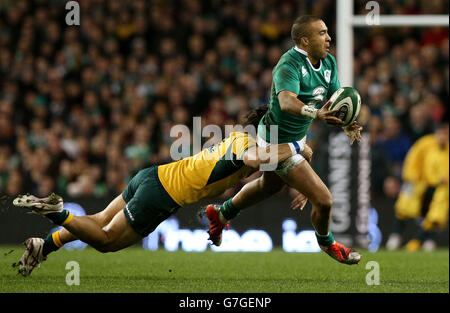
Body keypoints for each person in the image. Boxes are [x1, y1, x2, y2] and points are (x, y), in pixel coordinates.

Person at [12, 106, 312, 276]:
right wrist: (299, 145)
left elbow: (276, 165)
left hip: (154, 175)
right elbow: (255, 159)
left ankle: (44, 247)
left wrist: (299, 185)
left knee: (100, 219)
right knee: (106, 241)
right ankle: (59, 213)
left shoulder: (239, 137)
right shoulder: (247, 145)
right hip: (163, 195)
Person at [204, 15, 363, 265]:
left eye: (327, 32)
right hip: (275, 141)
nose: (329, 38)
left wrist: (347, 122)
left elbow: (335, 99)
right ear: (305, 40)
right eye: (322, 33)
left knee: (269, 185)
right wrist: (316, 113)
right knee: (324, 199)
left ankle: (220, 213)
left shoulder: (329, 63)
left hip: (296, 139)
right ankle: (327, 242)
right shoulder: (288, 64)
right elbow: (286, 101)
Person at [386, 121, 449, 252]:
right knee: (404, 205)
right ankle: (396, 235)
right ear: (437, 133)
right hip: (419, 182)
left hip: (441, 187)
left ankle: (426, 239)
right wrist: (411, 177)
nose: (444, 136)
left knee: (437, 212)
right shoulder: (425, 143)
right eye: (442, 133)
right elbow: (413, 160)